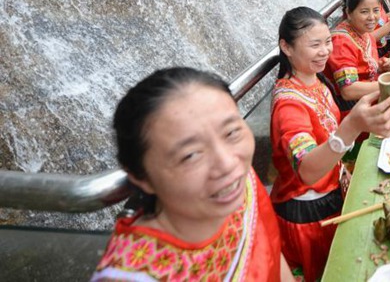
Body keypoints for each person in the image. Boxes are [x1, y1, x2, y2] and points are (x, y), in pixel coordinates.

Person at [93, 67, 293, 281]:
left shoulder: (239, 184)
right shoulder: (133, 276)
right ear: (140, 177)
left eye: (231, 132)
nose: (227, 163)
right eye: (190, 155)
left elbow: (269, 251)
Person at [271, 7, 390, 281]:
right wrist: (352, 127)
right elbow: (307, 170)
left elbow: (329, 129)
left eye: (327, 41)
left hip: (331, 191)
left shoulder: (315, 81)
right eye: (314, 44)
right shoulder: (288, 105)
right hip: (308, 213)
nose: (325, 51)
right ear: (286, 47)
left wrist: (365, 121)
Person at [325, 0, 390, 112]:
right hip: (356, 112)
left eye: (376, 10)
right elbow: (348, 90)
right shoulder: (341, 41)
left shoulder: (364, 32)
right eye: (364, 12)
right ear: (348, 12)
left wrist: (381, 66)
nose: (372, 17)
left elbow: (363, 66)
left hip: (372, 99)